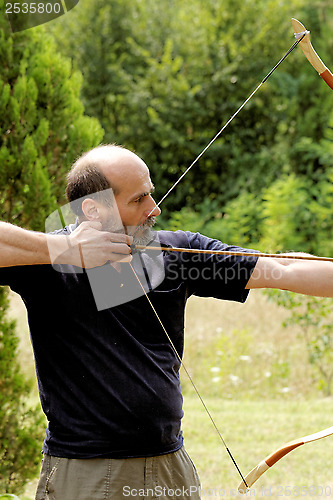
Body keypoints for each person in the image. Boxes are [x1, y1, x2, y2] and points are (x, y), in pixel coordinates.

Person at [0, 144, 332, 500]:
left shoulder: (176, 253)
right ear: (93, 209)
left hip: (170, 467)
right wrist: (64, 251)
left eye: (151, 194)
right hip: (86, 471)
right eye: (139, 199)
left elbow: (285, 268)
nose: (154, 208)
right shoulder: (45, 263)